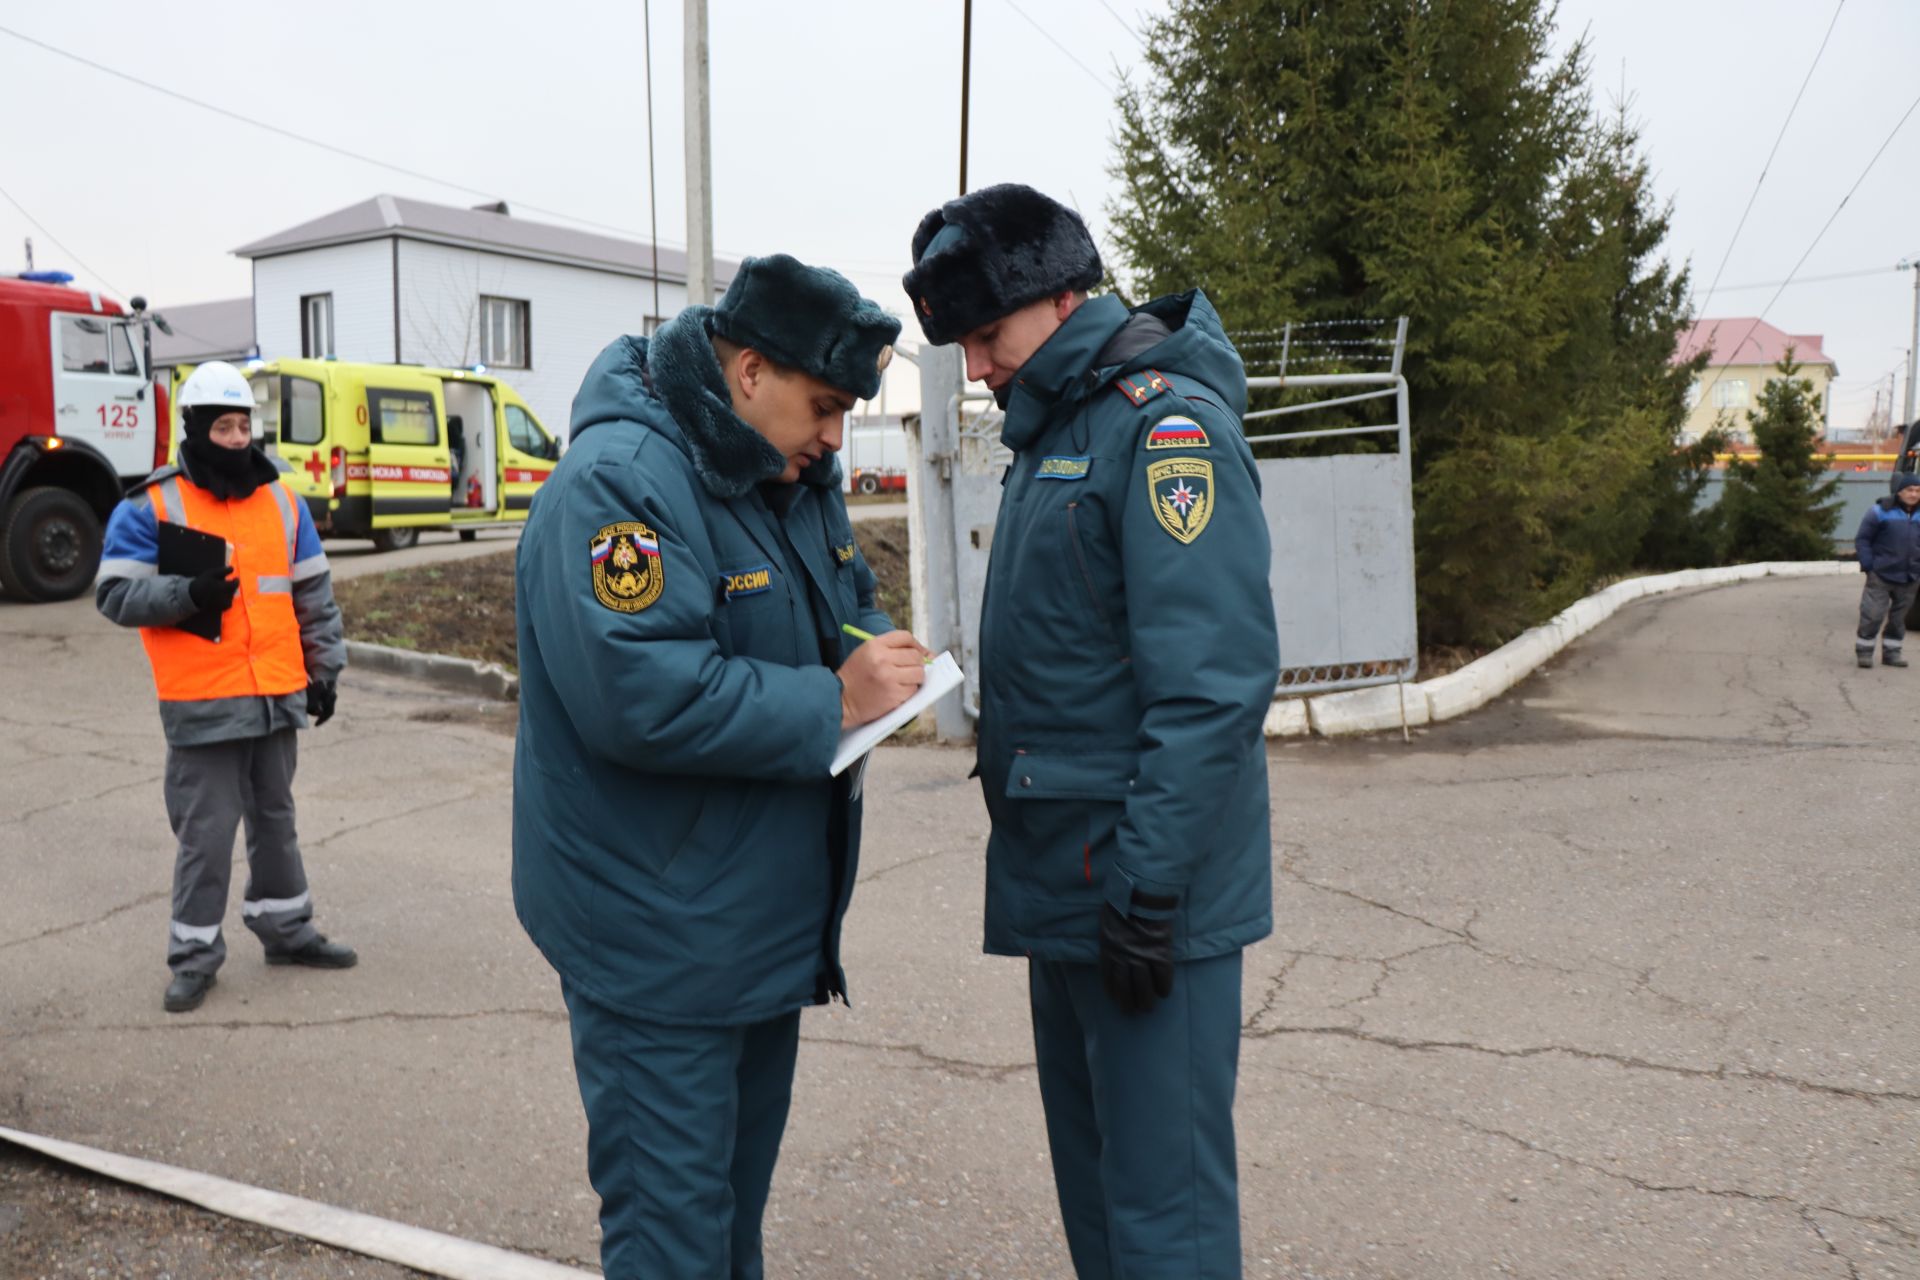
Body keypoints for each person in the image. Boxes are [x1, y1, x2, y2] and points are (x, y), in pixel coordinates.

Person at [512, 255, 926, 1279]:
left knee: (726, 1221)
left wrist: (881, 657)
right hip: (659, 940)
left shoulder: (787, 472)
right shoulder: (622, 484)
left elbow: (841, 598)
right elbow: (641, 694)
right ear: (748, 372)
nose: (837, 437)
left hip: (750, 930)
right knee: (672, 1237)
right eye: (824, 406)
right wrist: (836, 699)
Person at [902, 184, 1279, 1279]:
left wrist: (1150, 890)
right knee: (1104, 1208)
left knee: (1168, 1220)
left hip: (1144, 896)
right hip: (1071, 891)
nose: (975, 366)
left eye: (988, 334)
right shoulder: (1058, 426)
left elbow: (1211, 687)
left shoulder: (1164, 431)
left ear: (1061, 298)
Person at [95, 360, 354, 1014]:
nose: (238, 439)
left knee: (277, 823)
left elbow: (312, 596)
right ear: (196, 427)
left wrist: (324, 672)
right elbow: (114, 594)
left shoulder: (282, 499)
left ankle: (287, 932)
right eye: (225, 427)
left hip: (275, 694)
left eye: (244, 426)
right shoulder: (151, 504)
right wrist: (187, 594)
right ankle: (193, 959)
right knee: (205, 838)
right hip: (203, 701)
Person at [1853, 472, 1920, 668]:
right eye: (1910, 490)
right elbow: (1863, 539)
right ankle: (1864, 652)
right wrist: (1868, 565)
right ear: (1899, 492)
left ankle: (1892, 654)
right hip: (1881, 575)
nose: (1914, 494)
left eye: (1918, 491)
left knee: (1899, 620)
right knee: (1872, 615)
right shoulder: (1879, 511)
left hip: (1911, 576)